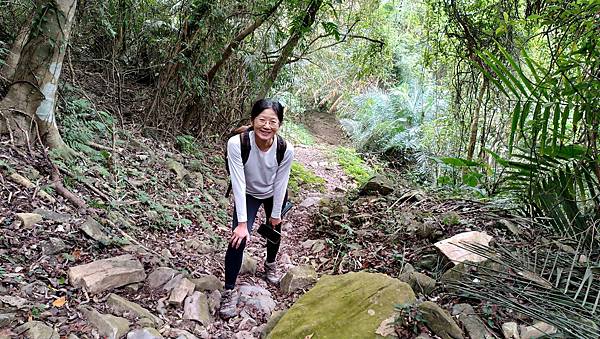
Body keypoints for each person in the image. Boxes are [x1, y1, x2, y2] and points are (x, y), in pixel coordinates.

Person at [220, 98, 294, 319]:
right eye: (262, 120)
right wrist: (242, 224)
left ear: (279, 124)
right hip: (248, 193)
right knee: (238, 239)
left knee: (274, 231)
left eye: (273, 121)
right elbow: (238, 183)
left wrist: (276, 214)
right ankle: (229, 290)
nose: (267, 126)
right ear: (253, 120)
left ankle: (270, 264)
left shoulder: (285, 149)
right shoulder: (237, 143)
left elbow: (282, 182)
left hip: (273, 193)